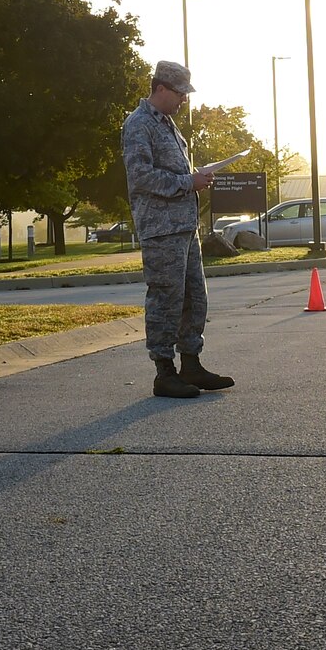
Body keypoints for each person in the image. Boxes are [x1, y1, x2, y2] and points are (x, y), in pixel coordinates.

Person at [120, 60, 233, 400]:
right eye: (180, 93)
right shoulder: (139, 124)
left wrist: (198, 178)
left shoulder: (167, 124)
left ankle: (191, 364)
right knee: (166, 299)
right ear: (160, 89)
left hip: (184, 227)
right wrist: (188, 182)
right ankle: (164, 372)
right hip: (161, 229)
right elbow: (139, 176)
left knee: (194, 298)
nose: (184, 100)